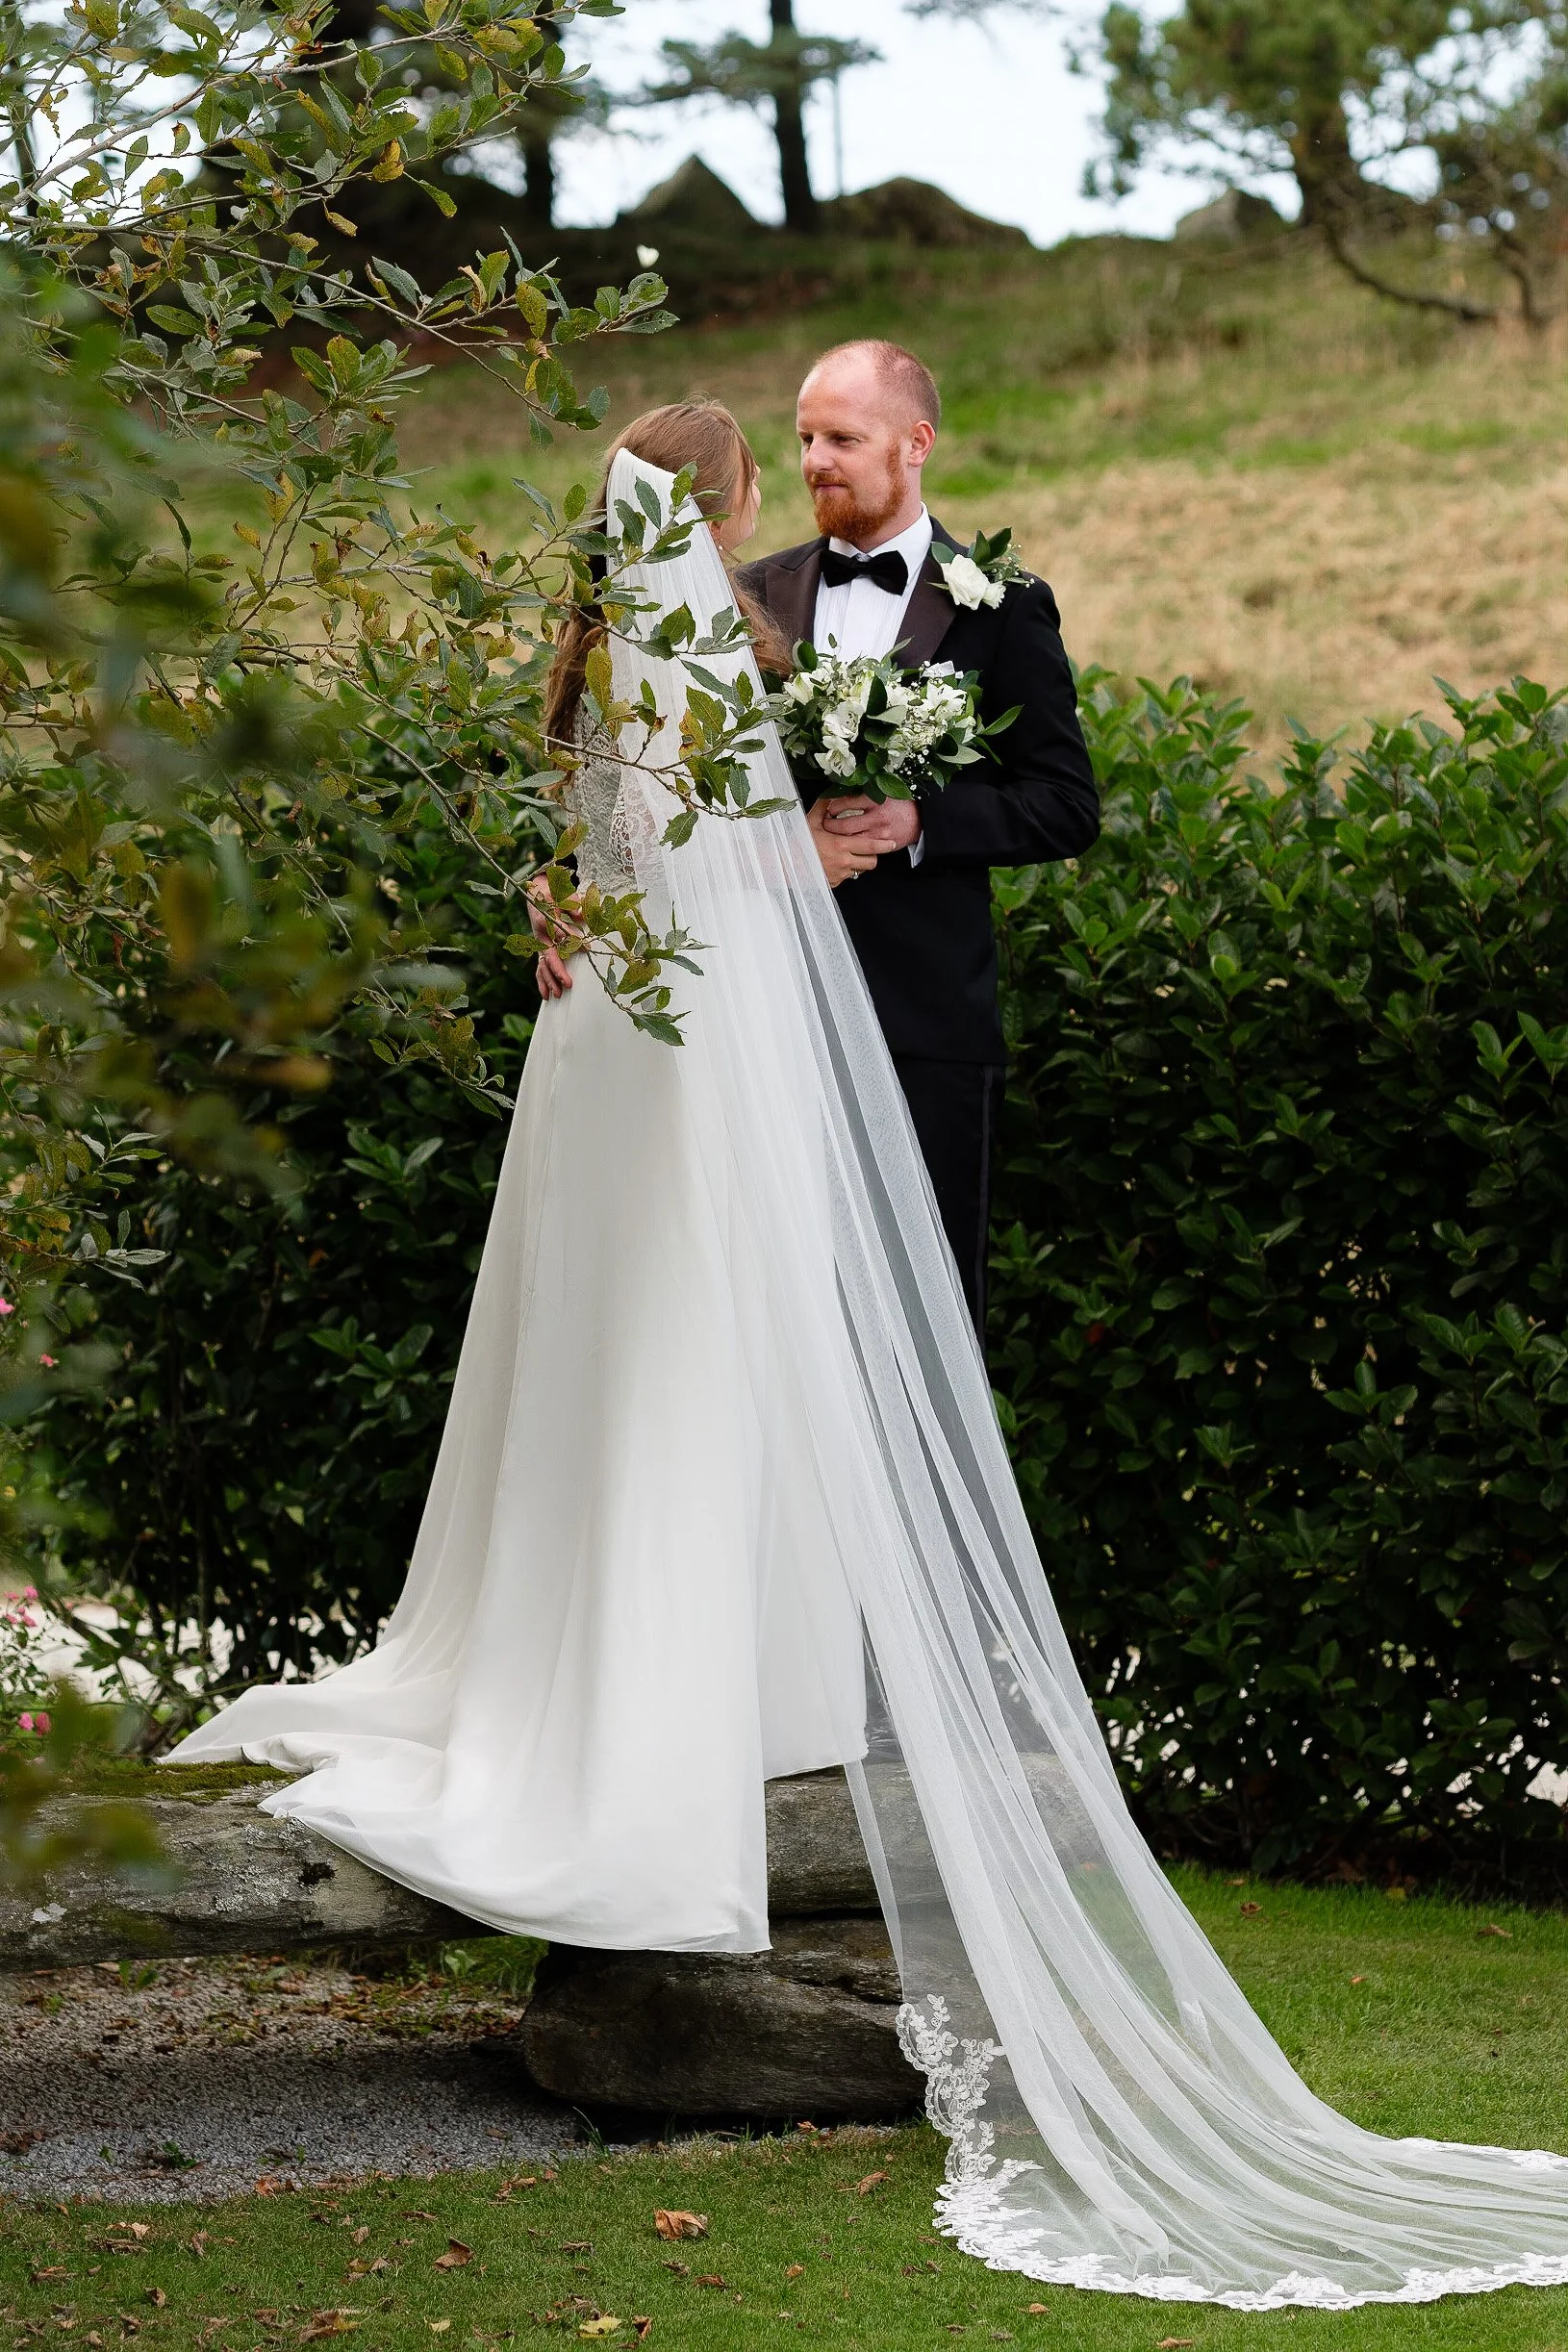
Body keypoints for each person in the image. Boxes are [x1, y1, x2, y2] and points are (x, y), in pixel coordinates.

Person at [168, 417, 1568, 2315]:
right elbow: (708, 877)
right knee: (692, 1370)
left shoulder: (584, 652)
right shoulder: (691, 654)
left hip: (588, 1072)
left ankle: (610, 1654)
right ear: (719, 507)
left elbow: (574, 865)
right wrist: (811, 861)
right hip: (672, 1066)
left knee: (603, 1377)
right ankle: (685, 1702)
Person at [736, 340, 1099, 1333]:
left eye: (843, 438)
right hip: (769, 1014)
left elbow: (1066, 803)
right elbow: (691, 796)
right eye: (805, 436)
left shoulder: (1003, 603)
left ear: (916, 444)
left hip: (927, 1026)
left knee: (922, 1318)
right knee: (777, 1319)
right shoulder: (748, 599)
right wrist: (778, 844)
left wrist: (921, 822)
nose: (816, 460)